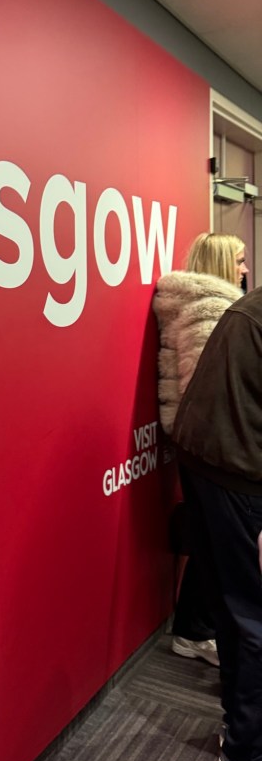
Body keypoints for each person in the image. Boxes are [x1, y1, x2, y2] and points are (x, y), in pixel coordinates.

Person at [172, 282, 262, 761]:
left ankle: (244, 735)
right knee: (251, 611)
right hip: (238, 471)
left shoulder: (248, 309)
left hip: (211, 458)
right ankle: (248, 750)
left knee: (233, 599)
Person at [153, 232, 247, 665]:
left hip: (205, 445)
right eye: (239, 260)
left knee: (212, 544)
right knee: (221, 547)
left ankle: (194, 630)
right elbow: (209, 392)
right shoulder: (209, 313)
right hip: (213, 448)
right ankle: (197, 631)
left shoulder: (211, 308)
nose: (245, 268)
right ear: (222, 262)